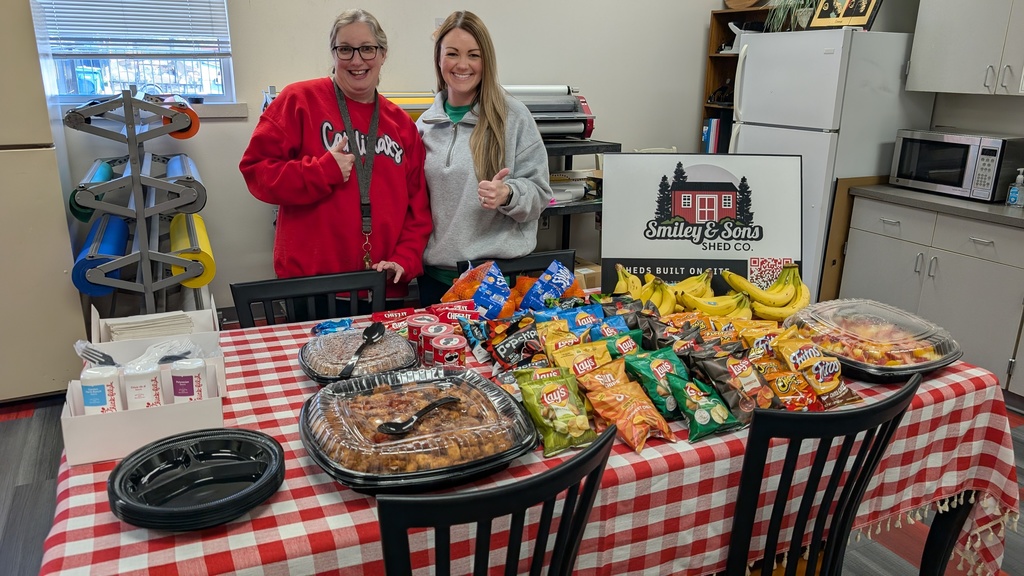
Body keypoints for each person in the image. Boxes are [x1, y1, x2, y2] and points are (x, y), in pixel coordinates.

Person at [239, 9, 431, 310]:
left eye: (367, 49)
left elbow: (418, 210)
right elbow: (256, 172)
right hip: (313, 287)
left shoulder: (402, 125)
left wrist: (403, 260)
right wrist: (321, 172)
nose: (357, 61)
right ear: (333, 53)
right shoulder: (298, 101)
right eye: (345, 50)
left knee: (383, 359)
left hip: (382, 285)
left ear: (382, 54)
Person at [416, 10, 553, 306]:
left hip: (495, 281)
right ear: (439, 60)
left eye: (473, 55)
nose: (462, 65)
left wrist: (509, 194)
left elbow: (541, 195)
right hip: (434, 280)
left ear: (486, 61)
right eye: (452, 54)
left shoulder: (513, 117)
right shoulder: (424, 125)